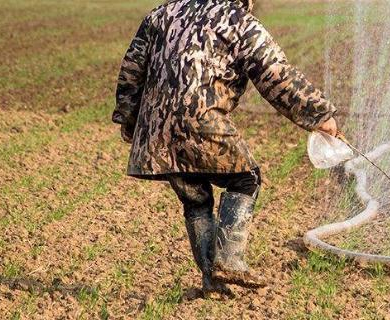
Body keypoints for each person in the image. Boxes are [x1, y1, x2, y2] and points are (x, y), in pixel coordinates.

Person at [112, 0, 339, 296]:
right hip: (202, 119)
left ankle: (213, 281)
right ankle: (230, 261)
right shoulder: (238, 20)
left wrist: (130, 121)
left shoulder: (160, 14)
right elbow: (276, 74)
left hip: (157, 130)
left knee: (196, 201)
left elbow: (131, 72)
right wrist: (319, 115)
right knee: (246, 179)